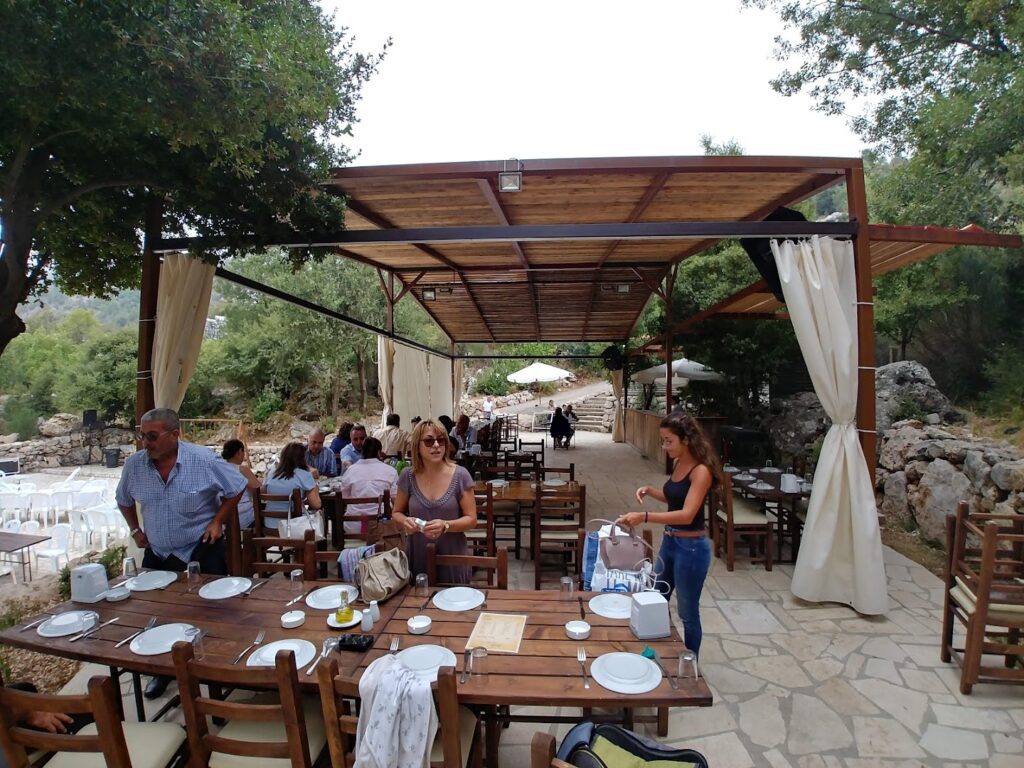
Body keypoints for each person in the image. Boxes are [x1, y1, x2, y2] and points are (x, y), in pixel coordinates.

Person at [116, 407, 246, 699]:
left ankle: (215, 672)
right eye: (142, 435)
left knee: (211, 613)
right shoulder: (135, 466)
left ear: (175, 435)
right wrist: (135, 530)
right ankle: (161, 672)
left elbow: (236, 486)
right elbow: (123, 499)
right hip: (158, 551)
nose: (145, 443)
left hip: (200, 546)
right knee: (157, 615)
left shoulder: (202, 460)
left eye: (152, 436)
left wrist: (217, 520)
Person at [616, 413, 720, 658]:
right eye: (663, 440)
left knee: (687, 612)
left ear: (686, 439)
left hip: (691, 549)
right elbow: (676, 497)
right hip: (671, 543)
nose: (665, 446)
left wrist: (644, 516)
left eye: (669, 441)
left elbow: (686, 514)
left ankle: (689, 661)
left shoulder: (700, 471)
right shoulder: (678, 463)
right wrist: (651, 490)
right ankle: (657, 649)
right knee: (656, 598)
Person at [392, 419, 477, 583]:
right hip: (417, 556)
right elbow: (396, 513)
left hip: (452, 557)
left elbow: (471, 520)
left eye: (441, 439)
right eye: (429, 441)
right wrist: (406, 522)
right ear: (417, 445)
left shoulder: (460, 475)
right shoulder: (408, 476)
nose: (436, 445)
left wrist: (446, 525)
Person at [339, 437, 398, 534]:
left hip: (354, 526)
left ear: (362, 451)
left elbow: (344, 497)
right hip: (381, 526)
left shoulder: (351, 470)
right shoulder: (390, 471)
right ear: (379, 453)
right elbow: (395, 500)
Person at [263, 442, 322, 531]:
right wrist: (315, 489)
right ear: (302, 458)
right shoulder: (304, 475)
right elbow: (316, 505)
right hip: (293, 528)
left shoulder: (271, 473)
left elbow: (264, 491)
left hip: (270, 526)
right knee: (321, 514)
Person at [221, 439, 260, 529]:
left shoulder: (219, 468)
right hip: (243, 518)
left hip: (223, 517)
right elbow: (258, 490)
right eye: (243, 452)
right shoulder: (241, 470)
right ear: (239, 452)